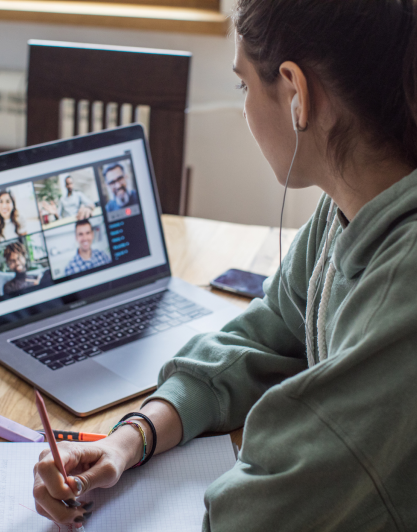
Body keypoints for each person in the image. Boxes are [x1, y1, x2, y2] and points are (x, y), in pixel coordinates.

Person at [32, 0, 417, 529]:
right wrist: (131, 438)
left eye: (244, 86)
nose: (244, 108)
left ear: (296, 93)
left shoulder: (403, 287)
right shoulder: (348, 208)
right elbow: (267, 336)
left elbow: (260, 510)